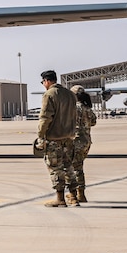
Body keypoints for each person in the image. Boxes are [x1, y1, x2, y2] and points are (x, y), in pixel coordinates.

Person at [36, 69, 80, 207]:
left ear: (47, 81)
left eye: (43, 82)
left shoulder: (49, 94)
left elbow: (45, 118)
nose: (43, 84)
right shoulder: (70, 95)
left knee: (56, 168)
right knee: (69, 167)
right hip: (69, 137)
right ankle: (73, 196)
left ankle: (60, 199)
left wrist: (40, 136)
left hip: (54, 138)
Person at [69, 85, 97, 203]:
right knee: (79, 167)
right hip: (86, 141)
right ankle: (80, 193)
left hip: (75, 141)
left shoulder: (72, 108)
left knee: (73, 169)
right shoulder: (87, 108)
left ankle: (75, 195)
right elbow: (94, 122)